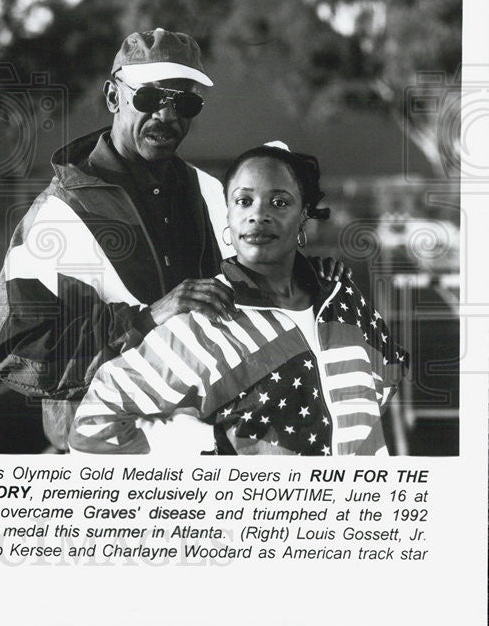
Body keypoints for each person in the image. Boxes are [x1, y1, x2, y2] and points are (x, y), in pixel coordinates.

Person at [0, 29, 347, 452]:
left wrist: (304, 276)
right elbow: (19, 351)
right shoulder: (57, 214)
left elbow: (252, 294)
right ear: (113, 97)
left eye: (185, 103)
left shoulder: (211, 191)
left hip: (208, 452)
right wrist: (148, 319)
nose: (166, 115)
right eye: (148, 98)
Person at [69, 144, 407, 456]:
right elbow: (93, 424)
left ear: (304, 215)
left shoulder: (342, 295)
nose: (258, 215)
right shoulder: (204, 320)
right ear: (227, 216)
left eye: (279, 202)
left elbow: (387, 373)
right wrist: (205, 447)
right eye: (244, 201)